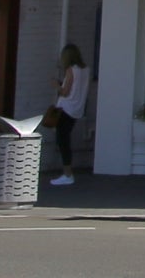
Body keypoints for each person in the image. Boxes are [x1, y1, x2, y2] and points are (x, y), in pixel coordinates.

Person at [48, 45, 88, 185]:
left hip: (66, 108)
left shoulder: (71, 70)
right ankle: (67, 173)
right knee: (65, 139)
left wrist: (56, 85)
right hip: (77, 109)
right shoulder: (85, 70)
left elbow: (65, 92)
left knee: (62, 140)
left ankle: (67, 174)